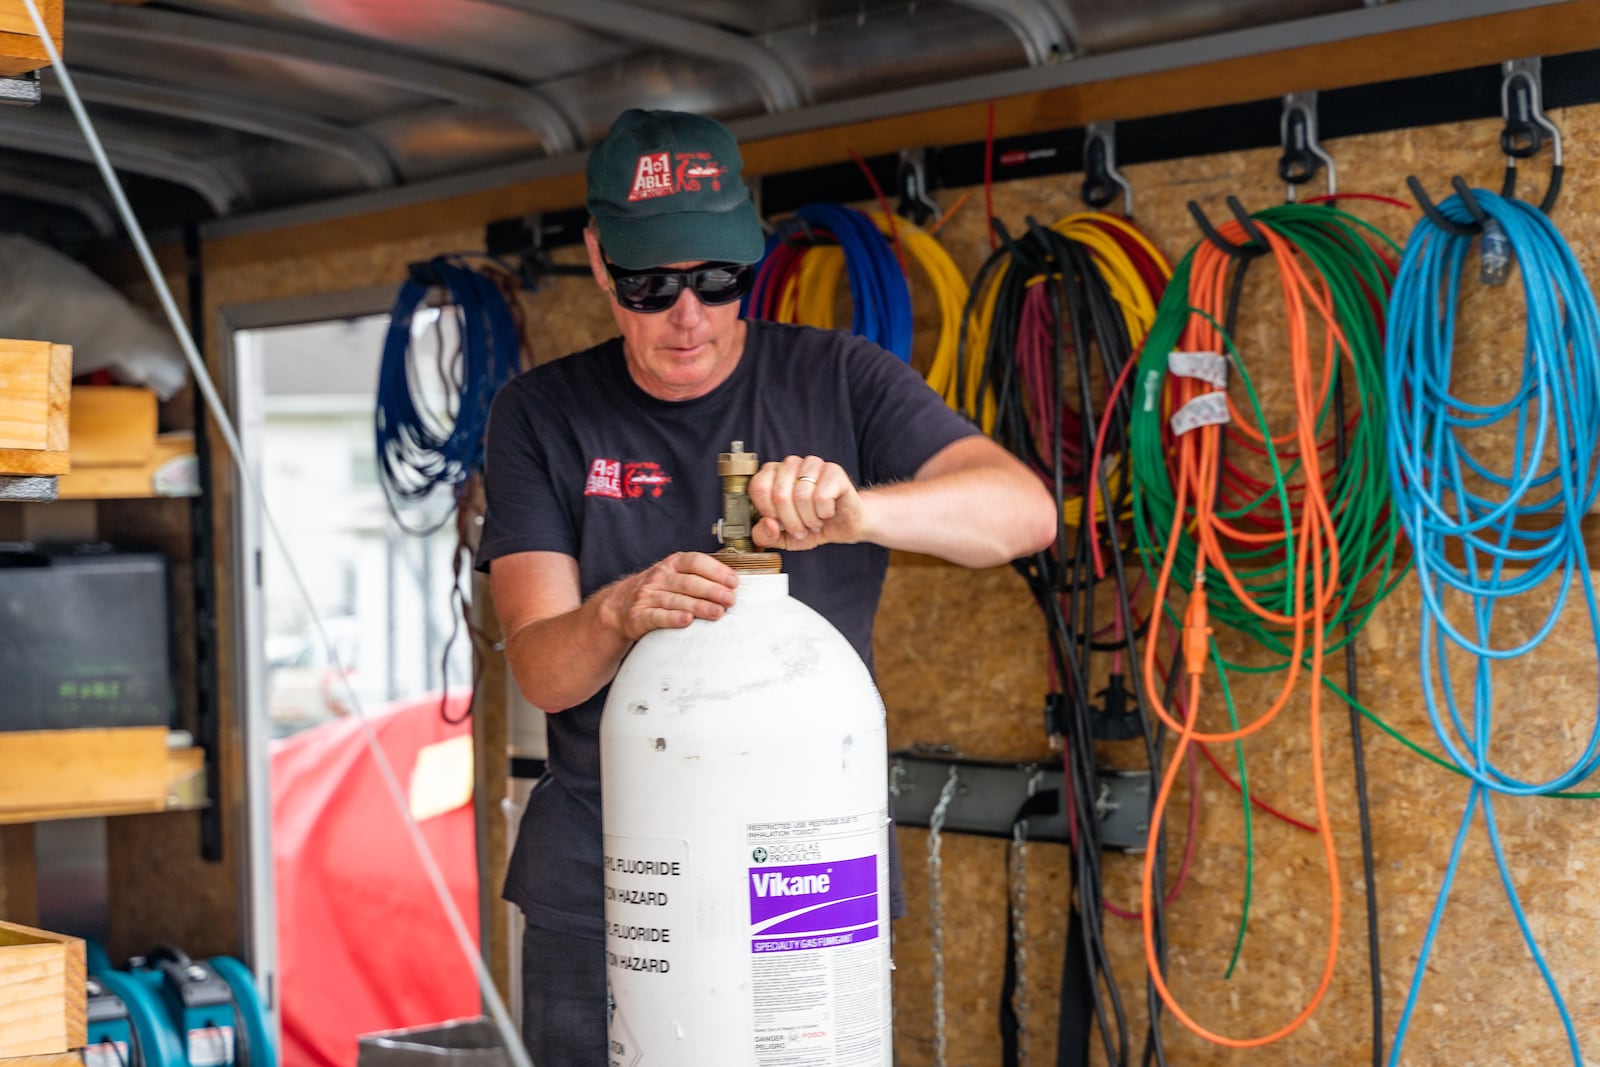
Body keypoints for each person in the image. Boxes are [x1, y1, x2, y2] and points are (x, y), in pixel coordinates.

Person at [477, 107, 1056, 1066]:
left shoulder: (842, 378)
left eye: (716, 278)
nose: (688, 315)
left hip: (802, 874)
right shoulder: (542, 414)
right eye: (649, 284)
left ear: (752, 253)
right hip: (612, 883)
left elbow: (1024, 513)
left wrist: (862, 511)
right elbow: (542, 669)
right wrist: (620, 610)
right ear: (596, 257)